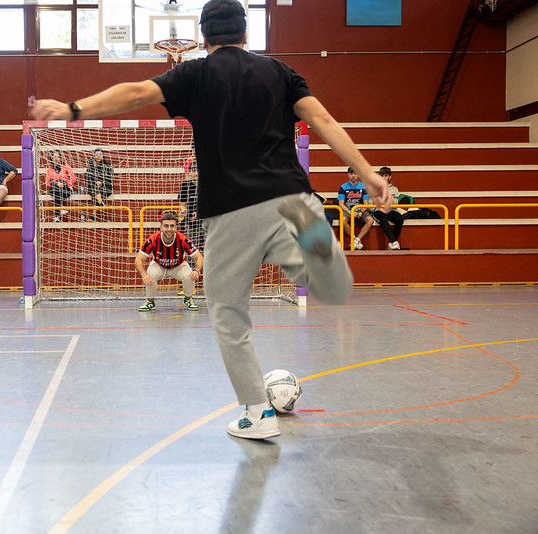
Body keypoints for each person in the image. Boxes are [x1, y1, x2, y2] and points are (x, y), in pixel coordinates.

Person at [32, 0, 391, 441]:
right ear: (246, 34)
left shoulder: (193, 74)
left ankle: (259, 415)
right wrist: (368, 172)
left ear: (203, 38)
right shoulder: (280, 72)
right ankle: (321, 249)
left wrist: (73, 110)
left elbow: (135, 92)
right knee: (335, 289)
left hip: (231, 212)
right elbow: (321, 119)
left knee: (227, 313)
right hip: (293, 201)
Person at [135, 211, 203, 312]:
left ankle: (188, 299)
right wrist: (144, 275)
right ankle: (150, 301)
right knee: (150, 273)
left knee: (190, 275)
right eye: (166, 226)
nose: (169, 229)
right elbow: (138, 259)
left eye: (172, 226)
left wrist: (197, 270)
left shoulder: (182, 239)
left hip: (178, 266)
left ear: (176, 227)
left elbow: (199, 257)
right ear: (161, 227)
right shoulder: (153, 239)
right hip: (159, 265)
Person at [337, 167, 374, 250]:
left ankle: (357, 240)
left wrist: (361, 212)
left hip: (360, 209)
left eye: (355, 173)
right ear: (348, 175)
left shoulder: (363, 186)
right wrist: (350, 212)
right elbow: (341, 204)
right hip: (348, 210)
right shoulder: (343, 187)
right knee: (342, 220)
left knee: (370, 220)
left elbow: (366, 203)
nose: (353, 176)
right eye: (351, 174)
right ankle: (354, 238)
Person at [372, 166, 404, 250]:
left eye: (386, 176)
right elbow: (372, 203)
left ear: (390, 177)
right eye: (382, 176)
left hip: (391, 209)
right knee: (383, 218)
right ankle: (394, 242)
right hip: (378, 210)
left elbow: (395, 203)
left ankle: (391, 243)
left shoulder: (394, 189)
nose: (383, 178)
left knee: (399, 219)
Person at [178, 160, 205, 251]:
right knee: (192, 250)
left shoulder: (207, 186)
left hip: (206, 221)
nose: (196, 173)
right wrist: (183, 210)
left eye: (198, 170)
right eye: (193, 170)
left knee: (210, 249)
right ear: (189, 172)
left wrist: (200, 213)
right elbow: (182, 204)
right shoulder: (185, 186)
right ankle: (192, 266)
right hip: (191, 222)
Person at [45, 150, 76, 222]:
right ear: (51, 158)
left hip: (66, 189)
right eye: (54, 157)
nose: (56, 158)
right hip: (54, 188)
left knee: (58, 192)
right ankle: (61, 208)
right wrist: (56, 183)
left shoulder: (66, 167)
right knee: (57, 190)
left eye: (58, 157)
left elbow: (73, 178)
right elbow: (47, 182)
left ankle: (56, 216)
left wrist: (64, 183)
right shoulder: (49, 169)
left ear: (61, 158)